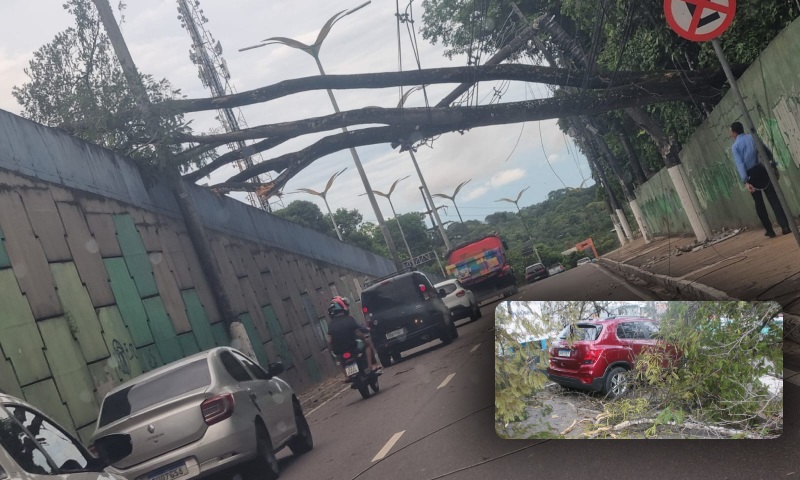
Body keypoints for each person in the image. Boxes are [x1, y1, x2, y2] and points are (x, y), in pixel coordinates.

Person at [729, 121, 791, 237]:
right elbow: (765, 150)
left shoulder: (735, 146)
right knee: (773, 198)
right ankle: (785, 226)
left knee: (759, 203)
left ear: (734, 132)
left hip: (751, 175)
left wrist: (745, 180)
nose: (730, 134)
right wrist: (772, 164)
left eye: (731, 132)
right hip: (763, 170)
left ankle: (770, 230)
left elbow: (740, 164)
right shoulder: (752, 137)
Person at [326, 296, 381, 382]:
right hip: (352, 347)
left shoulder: (330, 324)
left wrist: (332, 350)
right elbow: (358, 333)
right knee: (367, 346)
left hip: (339, 351)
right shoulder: (349, 319)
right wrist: (364, 340)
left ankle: (346, 376)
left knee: (338, 360)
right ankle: (371, 367)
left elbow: (329, 341)